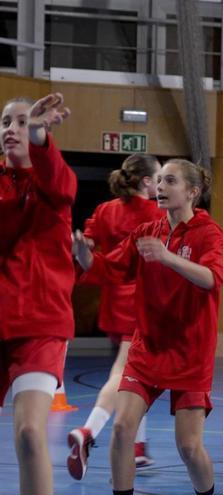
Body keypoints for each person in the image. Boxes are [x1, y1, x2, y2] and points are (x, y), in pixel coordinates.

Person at [73, 159, 223, 495]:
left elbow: (211, 279)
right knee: (122, 430)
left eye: (170, 181)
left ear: (192, 192)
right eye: (159, 180)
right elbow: (110, 268)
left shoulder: (208, 233)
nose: (160, 187)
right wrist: (85, 257)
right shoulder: (147, 232)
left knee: (188, 447)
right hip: (147, 347)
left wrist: (168, 257)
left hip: (191, 351)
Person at [67, 154, 164, 480]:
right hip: (142, 305)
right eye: (161, 177)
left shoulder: (106, 210)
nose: (163, 184)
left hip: (111, 304)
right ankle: (88, 432)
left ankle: (138, 448)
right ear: (148, 182)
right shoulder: (157, 214)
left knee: (138, 376)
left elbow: (86, 246)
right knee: (123, 374)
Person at [0, 93, 74, 495]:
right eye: (7, 122)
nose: (13, 129)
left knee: (30, 432)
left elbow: (59, 183)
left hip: (40, 323)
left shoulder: (52, 184)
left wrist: (40, 135)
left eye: (22, 122)